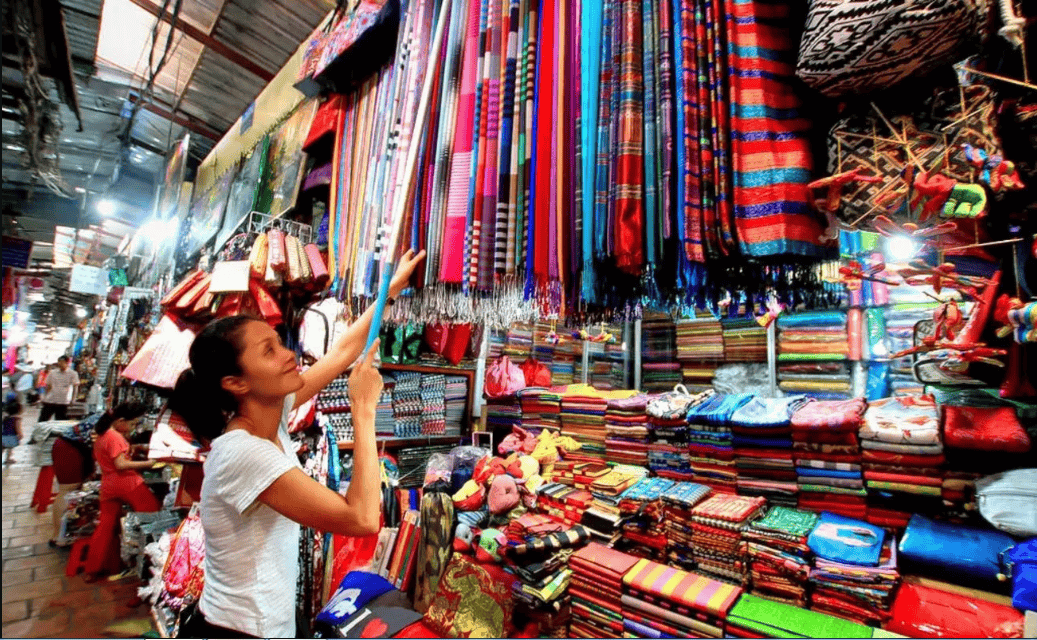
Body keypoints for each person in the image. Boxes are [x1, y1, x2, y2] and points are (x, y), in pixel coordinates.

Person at [169, 249, 424, 639]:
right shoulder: (244, 452)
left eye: (278, 342)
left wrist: (388, 292)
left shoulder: (269, 415)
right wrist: (363, 410)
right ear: (236, 383)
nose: (288, 355)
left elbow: (340, 352)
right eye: (269, 351)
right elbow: (362, 519)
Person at [83, 402, 161, 581]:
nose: (133, 428)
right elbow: (121, 464)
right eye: (132, 424)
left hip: (108, 485)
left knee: (104, 526)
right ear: (120, 421)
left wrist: (134, 448)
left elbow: (114, 459)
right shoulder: (114, 436)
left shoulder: (103, 434)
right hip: (127, 483)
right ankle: (151, 565)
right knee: (154, 517)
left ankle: (92, 569)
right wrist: (149, 464)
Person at [48, 412, 100, 546]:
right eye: (132, 423)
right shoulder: (106, 423)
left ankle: (62, 533)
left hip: (71, 448)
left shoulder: (106, 418)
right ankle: (58, 536)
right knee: (66, 490)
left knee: (70, 491)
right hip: (68, 449)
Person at [39, 356, 79, 422]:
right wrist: (44, 397)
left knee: (60, 422)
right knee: (43, 421)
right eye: (59, 362)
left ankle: (56, 432)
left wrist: (73, 399)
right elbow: (48, 386)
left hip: (63, 402)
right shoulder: (52, 373)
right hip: (50, 400)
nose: (60, 364)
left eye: (62, 362)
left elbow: (75, 387)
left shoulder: (73, 374)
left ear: (67, 363)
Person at [2, 394, 22, 464]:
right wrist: (20, 435)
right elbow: (18, 428)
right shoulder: (17, 418)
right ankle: (8, 459)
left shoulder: (5, 417)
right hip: (11, 436)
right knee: (10, 448)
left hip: (3, 435)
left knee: (2, 448)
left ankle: (7, 459)